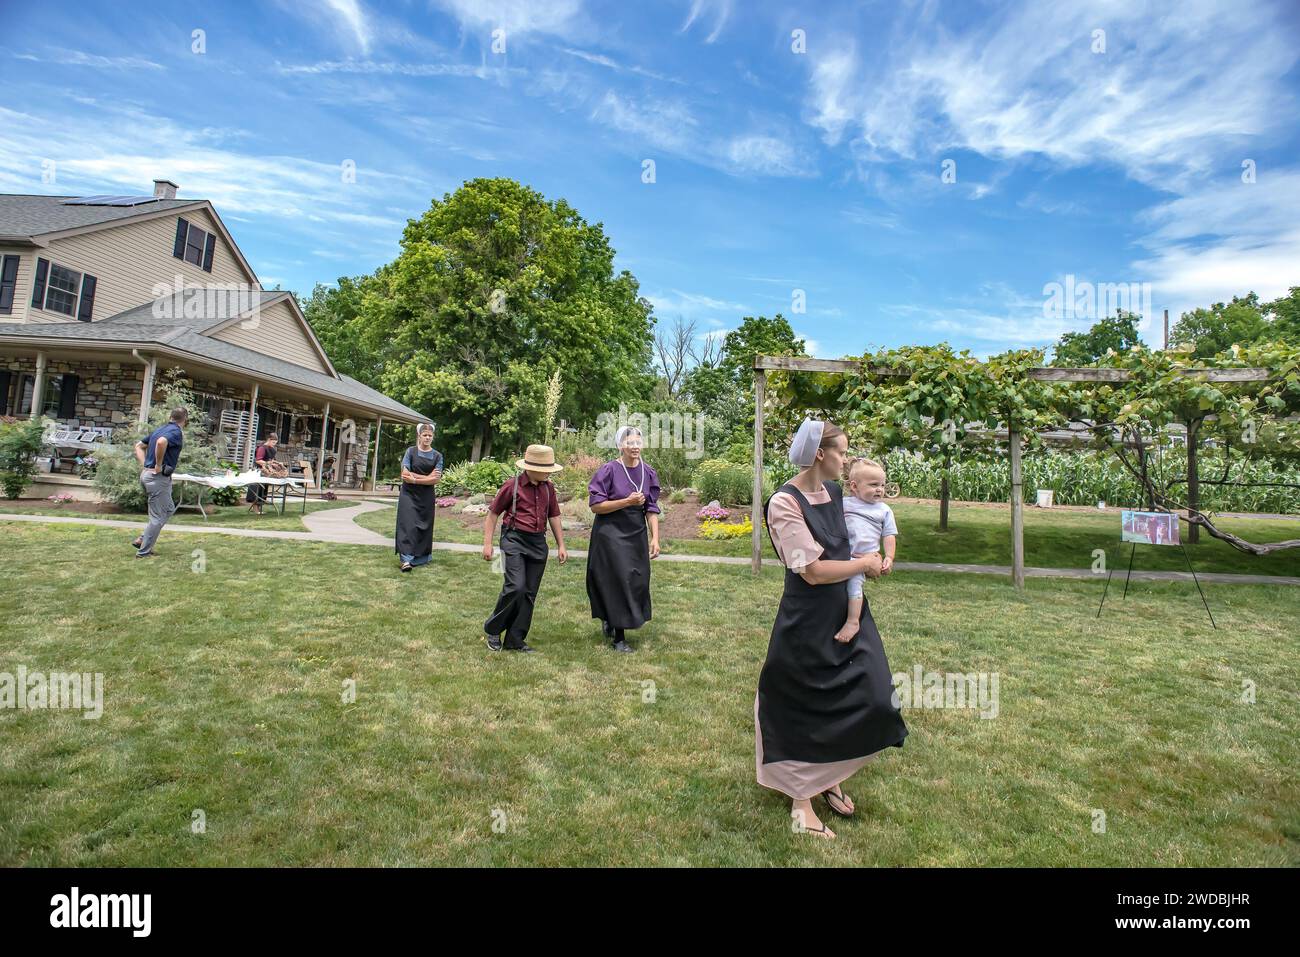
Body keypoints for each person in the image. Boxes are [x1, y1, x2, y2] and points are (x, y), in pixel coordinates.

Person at [757, 418, 907, 840]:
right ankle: (802, 803)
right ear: (820, 455)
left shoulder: (838, 492)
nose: (846, 459)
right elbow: (814, 571)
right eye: (841, 452)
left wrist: (878, 554)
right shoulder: (784, 503)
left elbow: (864, 528)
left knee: (872, 694)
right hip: (807, 618)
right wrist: (862, 564)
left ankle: (828, 774)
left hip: (847, 612)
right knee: (806, 704)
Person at [482, 444, 567, 653]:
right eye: (546, 469)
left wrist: (561, 544)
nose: (549, 472)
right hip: (514, 539)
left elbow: (554, 516)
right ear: (530, 467)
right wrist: (487, 544)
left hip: (538, 543)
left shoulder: (549, 488)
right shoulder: (512, 485)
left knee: (529, 593)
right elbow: (492, 515)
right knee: (515, 587)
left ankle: (515, 639)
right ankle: (493, 629)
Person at [586, 426, 660, 653]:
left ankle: (612, 618)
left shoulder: (648, 472)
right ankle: (619, 637)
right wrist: (626, 502)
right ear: (620, 446)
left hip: (636, 532)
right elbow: (596, 506)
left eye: (639, 442)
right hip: (610, 533)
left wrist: (655, 537)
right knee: (619, 580)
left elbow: (651, 508)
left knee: (637, 578)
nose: (635, 446)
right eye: (630, 443)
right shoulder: (608, 470)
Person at [836, 457, 899, 642]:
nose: (880, 489)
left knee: (854, 585)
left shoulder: (884, 510)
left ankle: (853, 621)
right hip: (842, 555)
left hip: (864, 559)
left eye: (882, 484)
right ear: (854, 486)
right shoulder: (844, 504)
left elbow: (889, 535)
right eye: (873, 485)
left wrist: (889, 557)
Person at [130, 407, 187, 558]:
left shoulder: (160, 429)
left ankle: (143, 538)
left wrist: (145, 465)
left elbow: (139, 446)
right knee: (157, 518)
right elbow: (161, 443)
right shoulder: (175, 432)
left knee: (168, 509)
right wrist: (158, 465)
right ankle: (143, 552)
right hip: (157, 478)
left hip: (149, 476)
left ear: (171, 416)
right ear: (185, 419)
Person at [395, 423, 444, 572]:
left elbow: (436, 479)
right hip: (408, 494)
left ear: (433, 437)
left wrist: (415, 479)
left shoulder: (437, 456)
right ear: (419, 436)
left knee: (424, 526)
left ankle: (420, 558)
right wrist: (426, 478)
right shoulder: (410, 452)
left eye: (430, 435)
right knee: (407, 525)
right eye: (425, 435)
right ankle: (406, 560)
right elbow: (404, 474)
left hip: (426, 497)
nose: (427, 437)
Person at [245, 432, 281, 514]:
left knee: (263, 490)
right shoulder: (262, 448)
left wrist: (275, 465)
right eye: (273, 442)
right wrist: (268, 464)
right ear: (269, 440)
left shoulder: (272, 449)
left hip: (266, 472)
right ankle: (255, 509)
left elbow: (270, 460)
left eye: (275, 443)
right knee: (257, 489)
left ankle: (259, 508)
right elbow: (258, 460)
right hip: (258, 472)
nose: (274, 444)